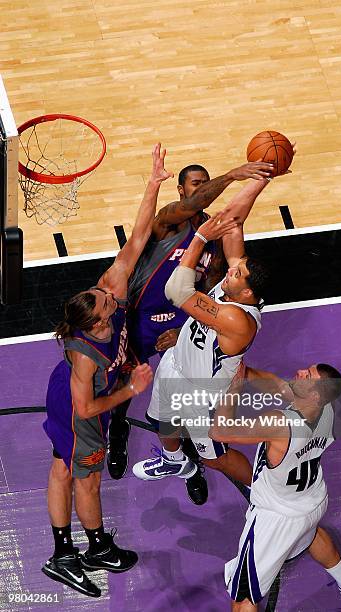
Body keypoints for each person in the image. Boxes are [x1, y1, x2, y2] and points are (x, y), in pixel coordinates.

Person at [41, 144, 171, 597]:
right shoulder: (84, 356)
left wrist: (152, 183)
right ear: (95, 323)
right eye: (106, 302)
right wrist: (130, 387)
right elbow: (87, 405)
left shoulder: (106, 291)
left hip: (73, 395)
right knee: (87, 478)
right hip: (81, 407)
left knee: (61, 469)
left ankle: (64, 552)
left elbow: (136, 240)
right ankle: (92, 547)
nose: (112, 293)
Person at [107, 158, 274, 480]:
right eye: (194, 184)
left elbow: (186, 292)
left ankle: (216, 474)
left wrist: (181, 328)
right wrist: (254, 178)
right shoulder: (169, 222)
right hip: (150, 324)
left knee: (209, 447)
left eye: (204, 181)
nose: (232, 270)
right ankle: (131, 438)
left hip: (194, 356)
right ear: (181, 189)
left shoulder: (233, 306)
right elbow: (230, 221)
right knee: (137, 394)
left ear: (246, 292)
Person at [209, 363, 341, 612]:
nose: (302, 371)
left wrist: (233, 387)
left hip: (275, 517)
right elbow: (276, 384)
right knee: (311, 534)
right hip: (311, 501)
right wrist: (240, 367)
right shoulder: (326, 409)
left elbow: (220, 431)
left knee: (243, 598)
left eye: (309, 375)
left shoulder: (279, 423)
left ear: (315, 394)